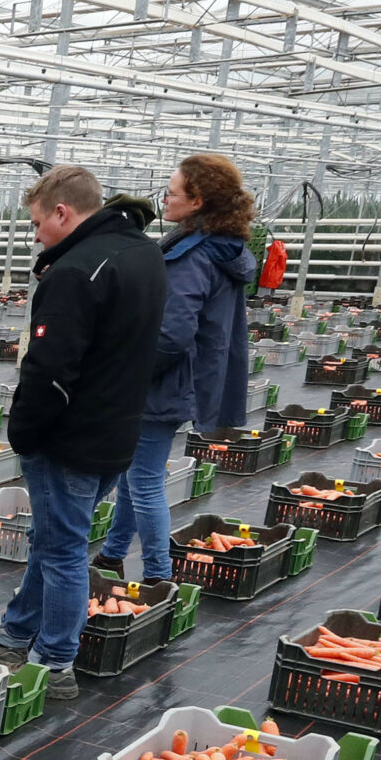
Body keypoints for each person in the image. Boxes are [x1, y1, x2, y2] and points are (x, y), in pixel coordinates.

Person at [0, 166, 166, 701]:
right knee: (52, 541)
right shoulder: (143, 253)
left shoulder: (76, 271)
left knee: (64, 551)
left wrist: (26, 431)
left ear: (62, 213)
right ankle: (14, 635)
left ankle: (55, 663)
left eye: (35, 224)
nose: (35, 235)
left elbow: (51, 368)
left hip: (73, 436)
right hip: (118, 428)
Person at [98, 154, 256, 584]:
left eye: (171, 192)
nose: (163, 199)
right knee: (137, 475)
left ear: (198, 201)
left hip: (163, 381)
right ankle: (112, 555)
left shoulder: (193, 257)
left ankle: (157, 578)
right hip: (182, 377)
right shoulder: (221, 248)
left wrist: (125, 373)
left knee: (145, 480)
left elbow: (171, 334)